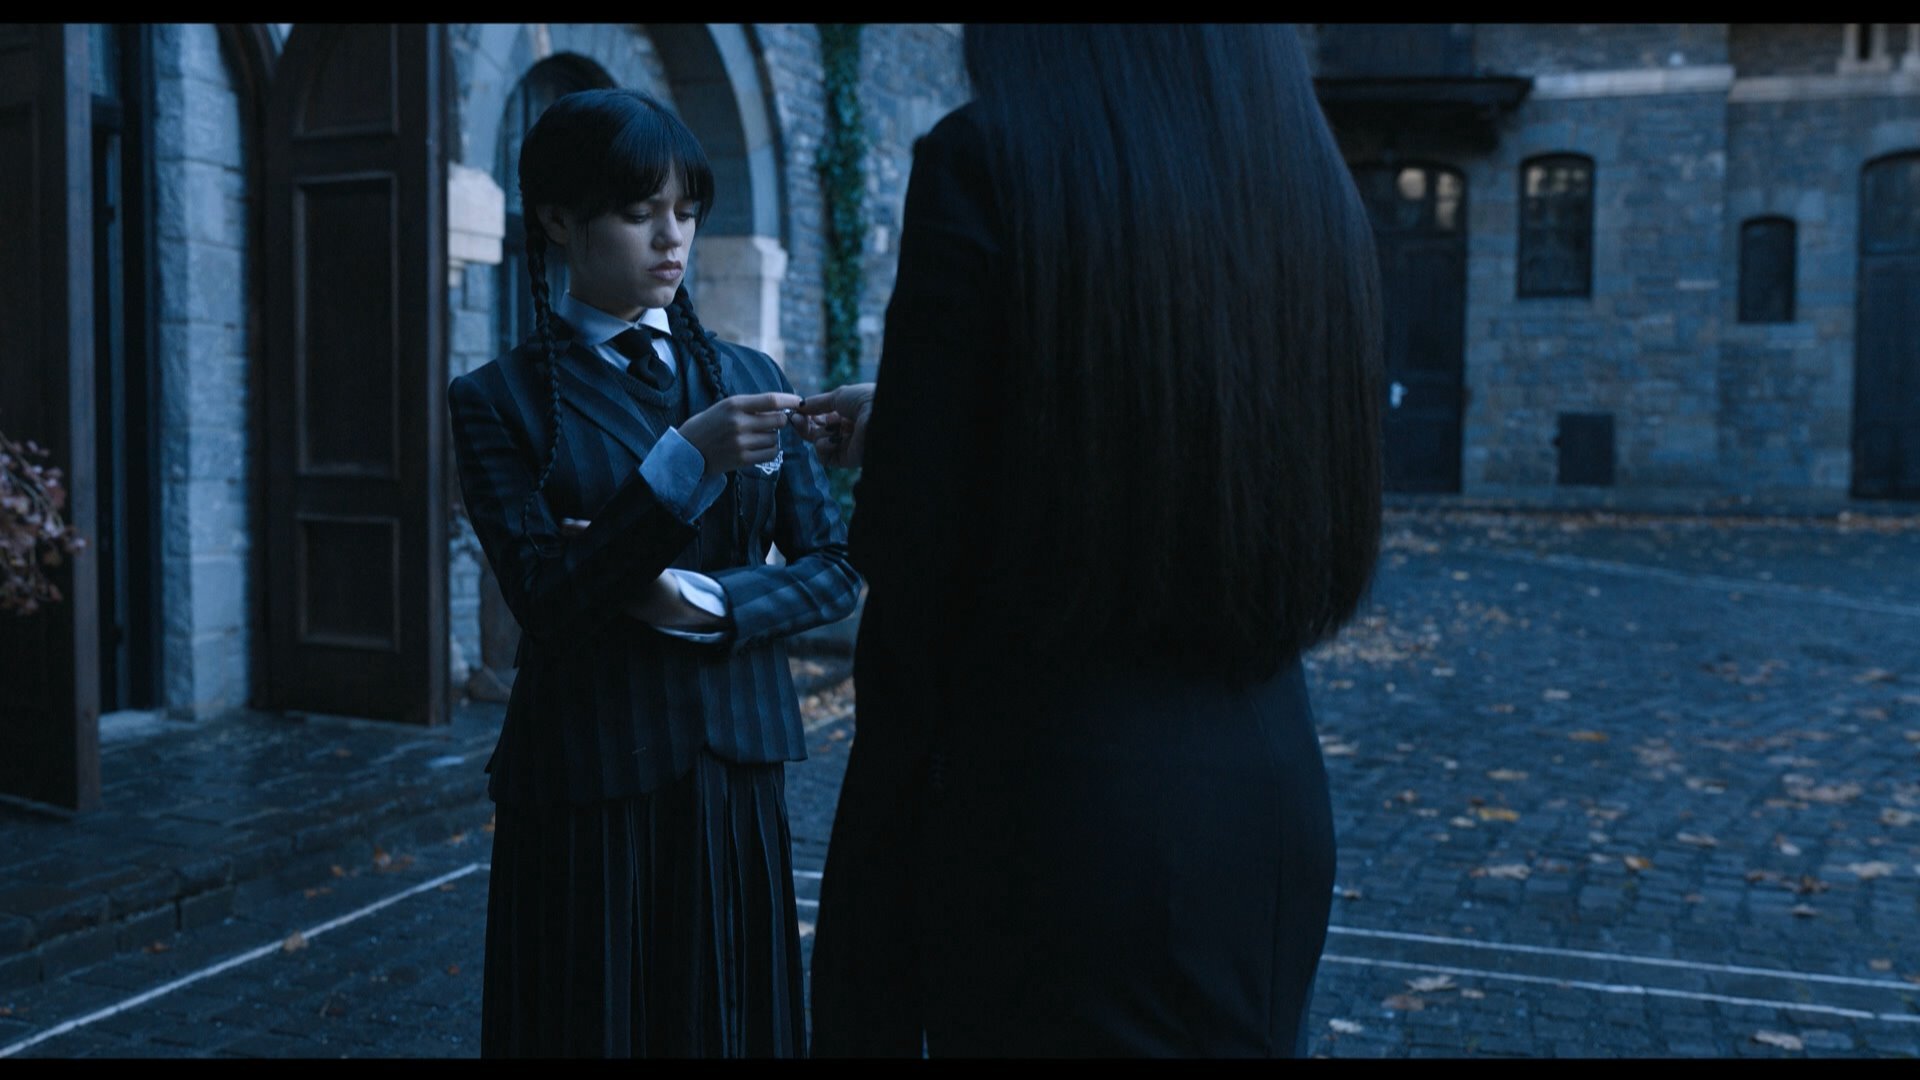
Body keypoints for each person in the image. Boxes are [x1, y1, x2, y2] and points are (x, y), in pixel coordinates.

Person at [799, 24, 1385, 1058]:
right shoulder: (1305, 183)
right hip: (1265, 788)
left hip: (1054, 803)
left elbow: (916, 557)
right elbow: (1183, 430)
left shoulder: (994, 158)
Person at [446, 88, 860, 1057]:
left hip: (735, 763)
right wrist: (680, 464)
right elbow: (546, 601)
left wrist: (704, 602)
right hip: (587, 772)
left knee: (730, 1026)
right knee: (595, 1025)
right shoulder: (497, 400)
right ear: (559, 220)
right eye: (639, 213)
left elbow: (836, 567)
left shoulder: (749, 373)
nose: (671, 239)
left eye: (686, 212)